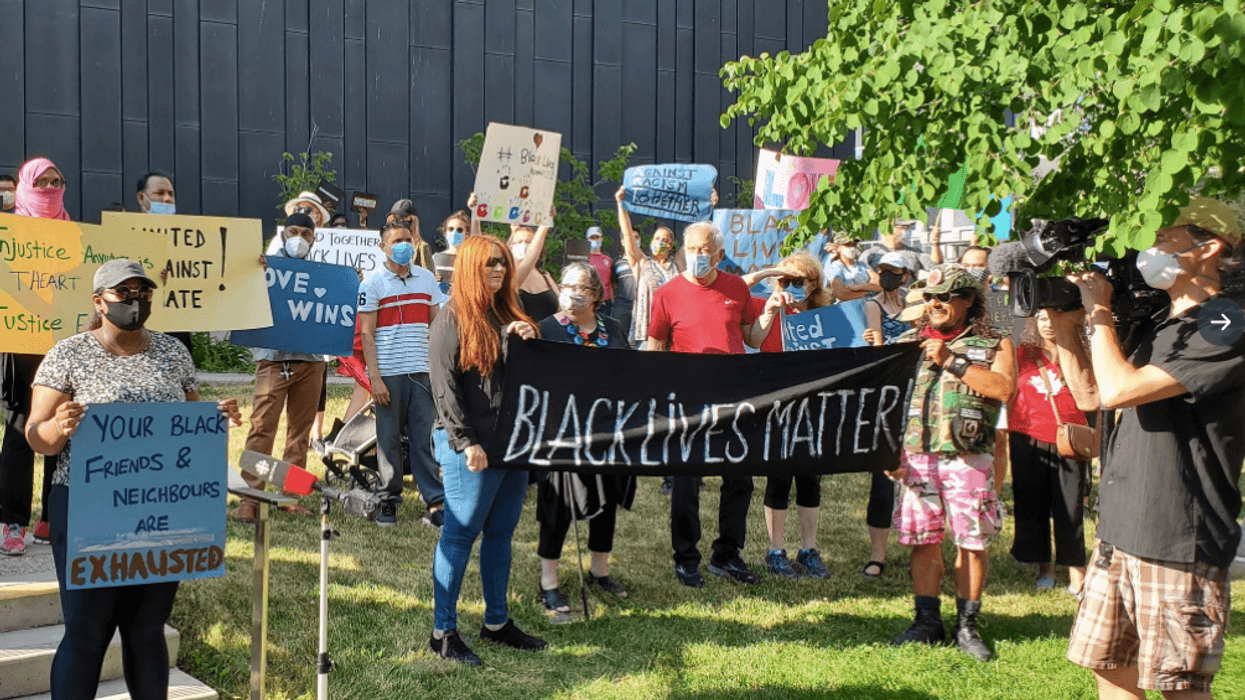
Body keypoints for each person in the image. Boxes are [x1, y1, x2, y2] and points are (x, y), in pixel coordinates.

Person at [24, 258, 242, 700]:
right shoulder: (68, 354)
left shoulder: (173, 352)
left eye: (143, 292)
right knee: (87, 633)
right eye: (124, 292)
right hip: (88, 506)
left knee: (146, 631)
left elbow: (189, 419)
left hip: (160, 509)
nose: (135, 300)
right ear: (99, 301)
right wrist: (58, 427)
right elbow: (36, 436)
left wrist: (216, 417)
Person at [1060, 197, 1244, 698]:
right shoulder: (1157, 320)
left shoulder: (1227, 323)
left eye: (1164, 237)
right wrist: (1062, 329)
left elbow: (1122, 389)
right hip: (1121, 525)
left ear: (1209, 248)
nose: (1150, 247)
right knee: (1110, 667)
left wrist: (1098, 310)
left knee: (1179, 685)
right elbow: (1094, 395)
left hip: (1177, 534)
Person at [428, 235, 546, 665]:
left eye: (503, 263)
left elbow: (531, 376)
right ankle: (443, 632)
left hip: (513, 443)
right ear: (470, 267)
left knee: (501, 533)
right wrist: (465, 443)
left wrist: (529, 337)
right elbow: (444, 389)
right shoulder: (451, 318)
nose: (498, 269)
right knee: (459, 534)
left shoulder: (508, 312)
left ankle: (496, 621)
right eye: (489, 263)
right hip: (472, 446)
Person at [889, 264, 1015, 662]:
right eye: (928, 296)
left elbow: (1003, 389)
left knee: (971, 542)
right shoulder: (909, 340)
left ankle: (967, 626)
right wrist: (888, 451)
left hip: (968, 456)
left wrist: (952, 361)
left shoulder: (995, 342)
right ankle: (926, 621)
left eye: (944, 296)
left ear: (968, 300)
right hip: (916, 456)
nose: (935, 303)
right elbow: (888, 400)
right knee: (922, 538)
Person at [647, 221, 762, 587]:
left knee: (740, 479)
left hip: (734, 398)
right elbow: (654, 351)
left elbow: (752, 338)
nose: (697, 256)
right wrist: (659, 401)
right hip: (688, 402)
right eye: (692, 249)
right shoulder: (667, 294)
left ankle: (727, 554)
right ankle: (686, 558)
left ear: (719, 255)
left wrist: (771, 311)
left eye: (704, 250)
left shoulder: (736, 287)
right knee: (686, 482)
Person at [535, 263, 636, 613]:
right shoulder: (547, 329)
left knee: (606, 503)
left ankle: (599, 571)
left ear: (596, 295)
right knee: (557, 507)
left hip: (607, 434)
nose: (572, 293)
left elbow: (627, 372)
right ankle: (549, 581)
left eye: (581, 288)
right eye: (566, 285)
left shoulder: (613, 328)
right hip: (562, 433)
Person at [744, 254, 833, 579]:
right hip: (778, 407)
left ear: (813, 285)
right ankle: (775, 549)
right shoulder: (763, 307)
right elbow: (752, 338)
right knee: (778, 477)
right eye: (786, 281)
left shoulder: (827, 314)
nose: (792, 288)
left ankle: (809, 548)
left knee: (810, 478)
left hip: (813, 409)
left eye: (799, 281)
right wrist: (770, 304)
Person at [234, 213, 325, 522]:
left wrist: (348, 282)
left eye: (305, 233)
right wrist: (254, 272)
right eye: (293, 231)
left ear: (314, 237)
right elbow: (241, 294)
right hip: (273, 360)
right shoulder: (265, 267)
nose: (299, 237)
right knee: (262, 428)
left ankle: (290, 495)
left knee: (299, 435)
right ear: (284, 234)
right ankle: (251, 496)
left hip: (311, 362)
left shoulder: (323, 273)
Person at [0, 158, 69, 556]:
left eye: (55, 181)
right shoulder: (8, 232)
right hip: (18, 345)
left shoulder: (76, 233)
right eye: (41, 181)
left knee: (58, 431)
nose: (48, 186)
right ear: (26, 184)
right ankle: (12, 520)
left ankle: (50, 516)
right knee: (19, 432)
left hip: (60, 348)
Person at [358, 221, 447, 527]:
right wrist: (376, 379)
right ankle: (388, 501)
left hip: (421, 374)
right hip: (389, 376)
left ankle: (434, 502)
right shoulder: (372, 285)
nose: (404, 245)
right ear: (384, 246)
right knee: (388, 440)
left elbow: (437, 325)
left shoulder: (426, 280)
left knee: (424, 440)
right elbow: (367, 335)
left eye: (408, 239)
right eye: (397, 240)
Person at [1008, 309, 1094, 594]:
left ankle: (1076, 570)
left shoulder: (1080, 353)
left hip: (1070, 437)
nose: (1049, 325)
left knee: (1070, 506)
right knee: (1033, 504)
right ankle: (1043, 566)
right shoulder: (1021, 353)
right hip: (1028, 435)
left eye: (1054, 318)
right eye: (1042, 319)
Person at [858, 252, 917, 581]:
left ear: (906, 275)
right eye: (883, 272)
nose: (887, 277)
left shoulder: (916, 302)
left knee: (918, 478)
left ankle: (918, 548)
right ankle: (877, 555)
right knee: (883, 479)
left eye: (893, 272)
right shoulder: (872, 305)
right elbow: (881, 349)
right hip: (888, 396)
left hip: (916, 394)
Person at [616, 186, 681, 349]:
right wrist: (621, 206)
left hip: (673, 335)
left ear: (671, 245)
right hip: (646, 335)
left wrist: (709, 208)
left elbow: (698, 243)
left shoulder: (678, 266)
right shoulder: (643, 263)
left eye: (665, 240)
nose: (660, 242)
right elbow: (628, 237)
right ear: (651, 242)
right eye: (657, 238)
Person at [509, 224, 560, 322]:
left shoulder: (545, 276)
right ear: (511, 247)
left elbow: (561, 308)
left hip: (548, 335)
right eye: (519, 242)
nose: (523, 245)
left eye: (529, 242)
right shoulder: (509, 276)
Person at [861, 219, 934, 276]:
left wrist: (935, 244)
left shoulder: (915, 252)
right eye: (903, 227)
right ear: (888, 228)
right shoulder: (870, 255)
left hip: (908, 295)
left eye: (909, 227)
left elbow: (935, 265)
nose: (907, 230)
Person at [823, 233, 877, 301]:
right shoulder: (835, 267)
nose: (852, 248)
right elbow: (840, 293)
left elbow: (879, 283)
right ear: (838, 248)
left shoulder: (862, 264)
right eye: (848, 245)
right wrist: (868, 290)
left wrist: (857, 288)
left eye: (854, 245)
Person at [386, 199, 435, 271]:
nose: (398, 224)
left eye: (403, 221)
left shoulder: (421, 247)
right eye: (395, 221)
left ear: (413, 223)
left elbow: (429, 277)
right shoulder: (387, 245)